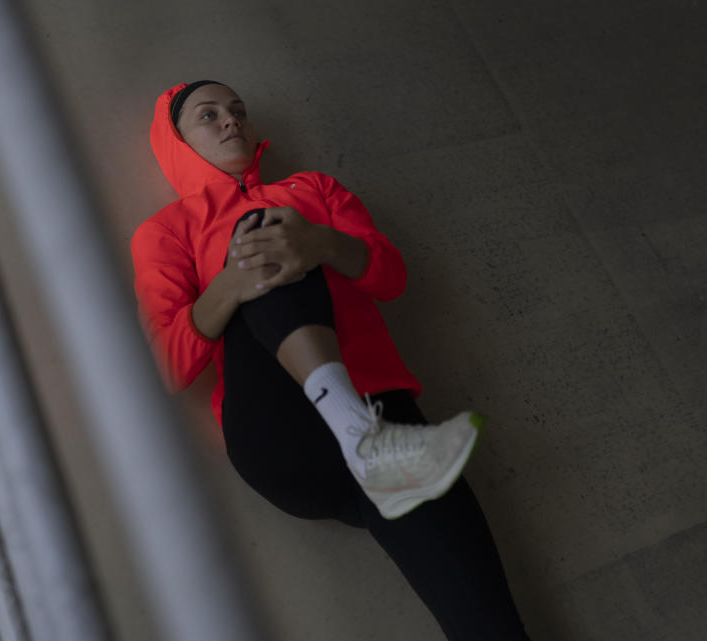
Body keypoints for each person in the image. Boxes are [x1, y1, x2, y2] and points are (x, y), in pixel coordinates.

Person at [131, 80, 531, 640]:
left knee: (489, 622)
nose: (231, 121)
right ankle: (358, 434)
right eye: (209, 115)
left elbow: (390, 276)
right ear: (177, 141)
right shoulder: (167, 231)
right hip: (283, 432)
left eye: (239, 111)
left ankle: (369, 442)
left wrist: (320, 245)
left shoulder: (313, 189)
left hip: (391, 424)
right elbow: (164, 367)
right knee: (262, 235)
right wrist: (231, 284)